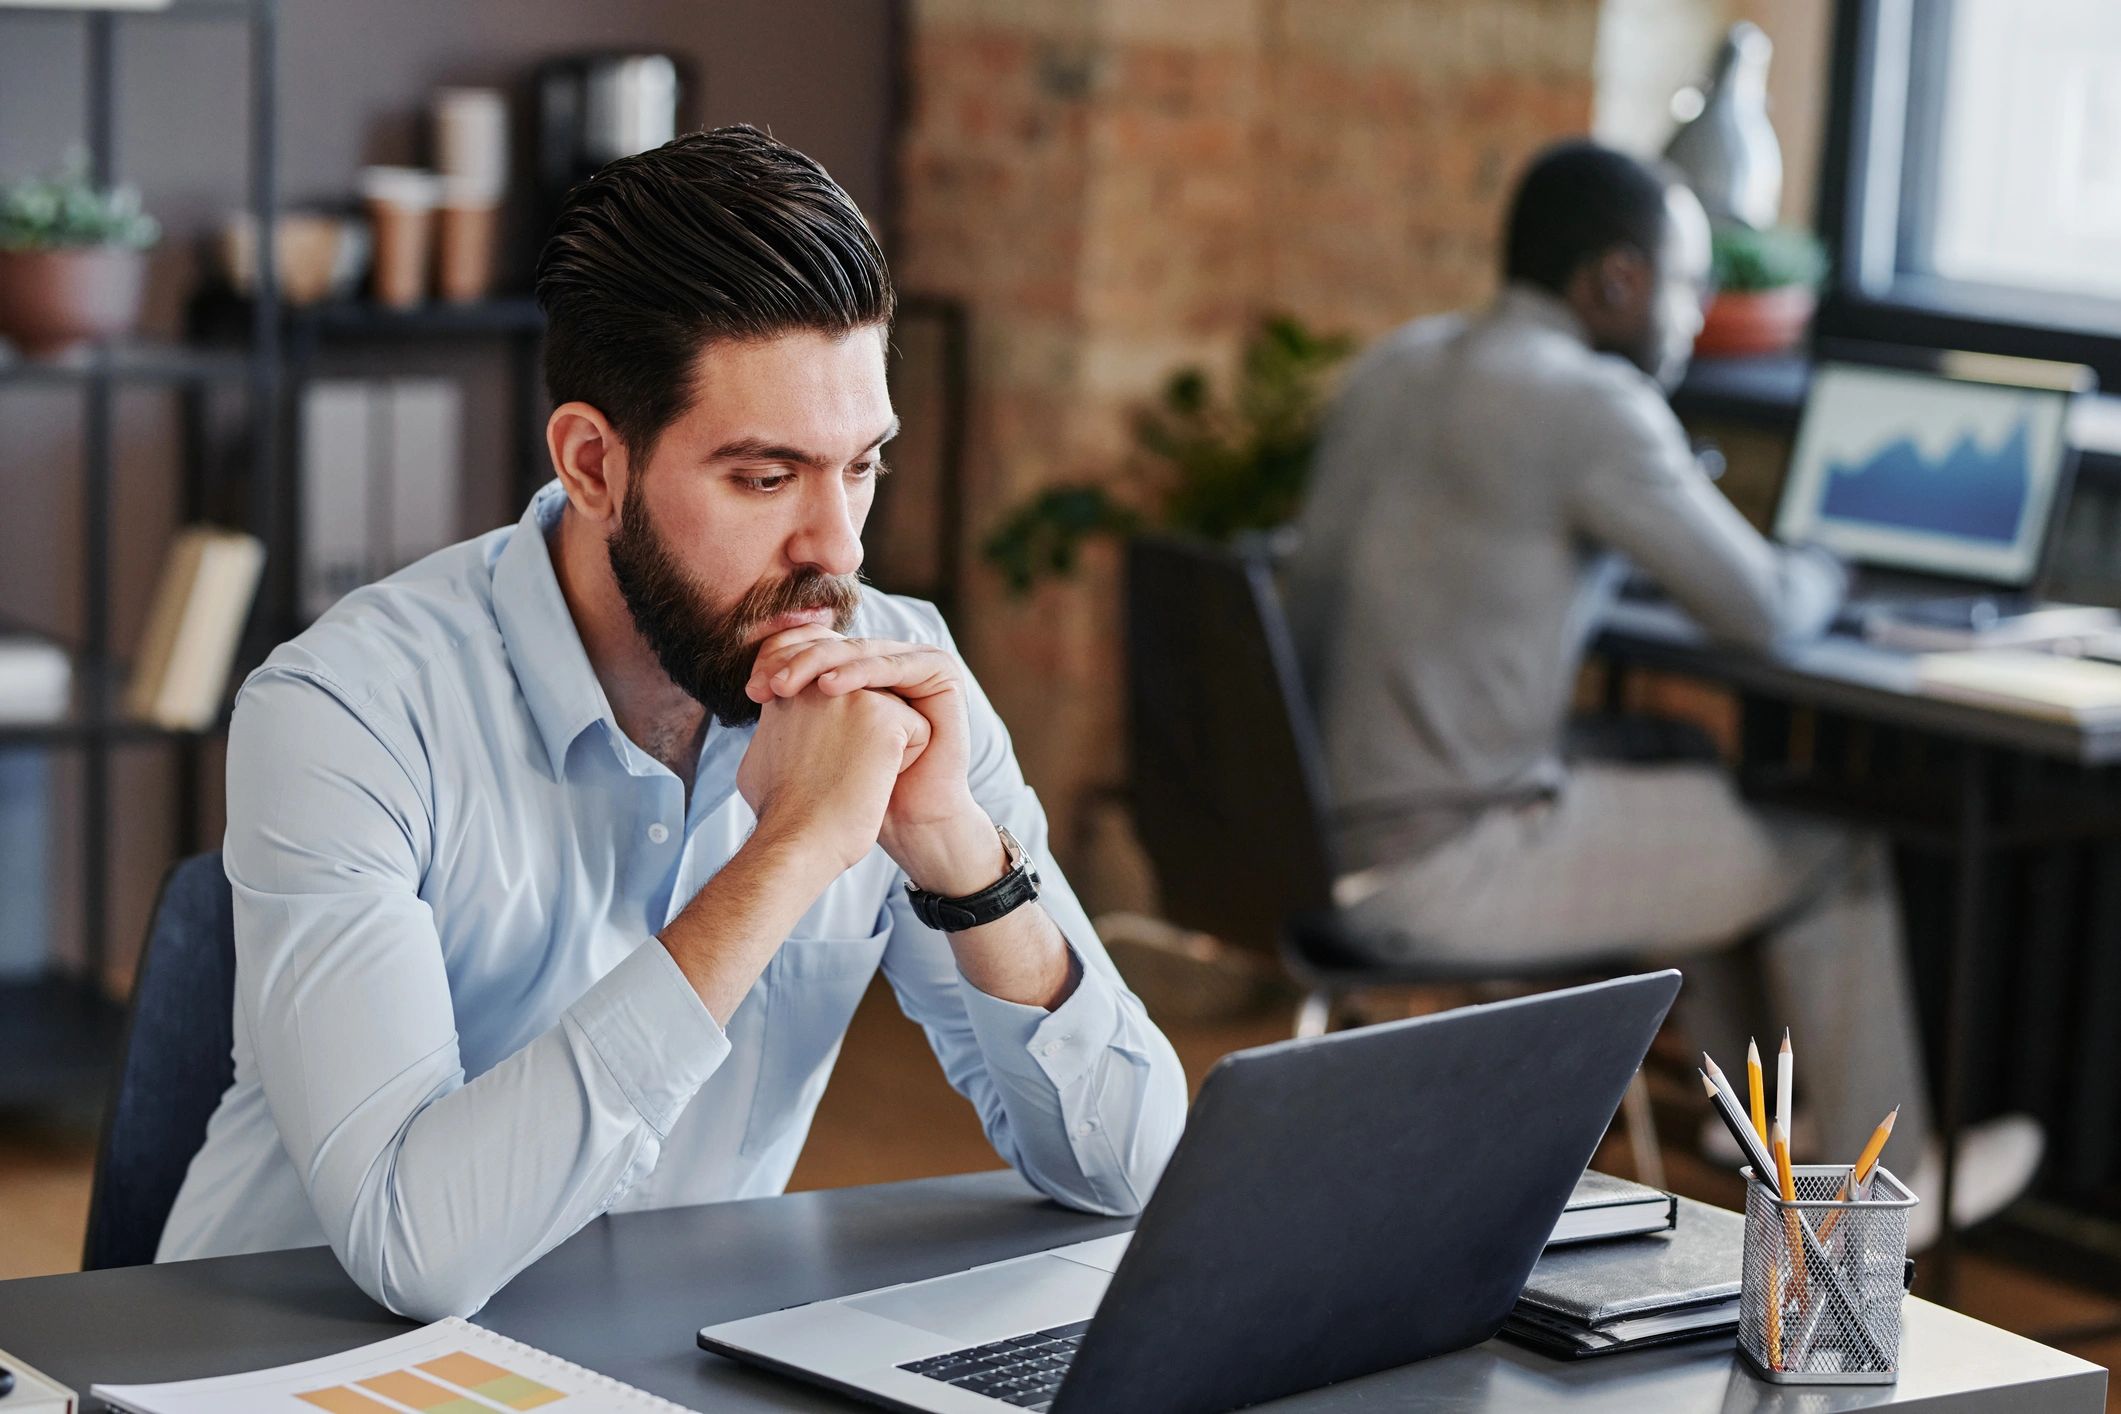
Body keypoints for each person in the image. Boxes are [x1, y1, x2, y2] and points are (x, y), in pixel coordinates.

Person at [158, 126, 1188, 1317]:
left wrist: (961, 854)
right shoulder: (346, 712)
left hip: (656, 1364)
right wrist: (791, 853)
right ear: (594, 463)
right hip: (284, 1368)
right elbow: (415, 1247)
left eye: (863, 467)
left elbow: (1132, 1166)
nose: (840, 550)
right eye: (765, 479)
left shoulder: (895, 674)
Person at [1282, 140, 2037, 1246]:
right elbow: (1767, 609)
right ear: (1617, 280)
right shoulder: (1589, 402)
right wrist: (1832, 556)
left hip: (1300, 839)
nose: (1698, 313)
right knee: (1833, 844)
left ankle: (1758, 1130)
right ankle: (1888, 1193)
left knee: (1679, 750)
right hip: (1440, 865)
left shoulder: (1399, 362)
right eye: (1690, 282)